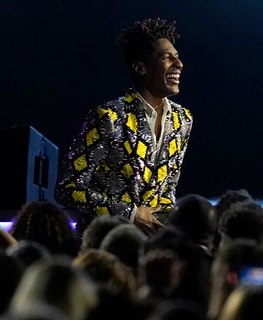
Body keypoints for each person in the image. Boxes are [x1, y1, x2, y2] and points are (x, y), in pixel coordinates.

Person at [55, 17, 192, 237]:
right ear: (140, 68)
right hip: (104, 247)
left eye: (177, 57)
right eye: (167, 58)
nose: (179, 64)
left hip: (149, 250)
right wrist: (131, 213)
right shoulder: (109, 117)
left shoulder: (182, 119)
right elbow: (68, 189)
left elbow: (167, 190)